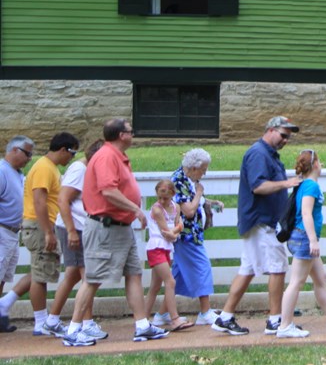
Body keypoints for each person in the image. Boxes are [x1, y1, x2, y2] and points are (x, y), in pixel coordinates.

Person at [62, 118, 169, 346]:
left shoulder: (118, 156)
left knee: (134, 273)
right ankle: (73, 330)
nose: (133, 134)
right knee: (92, 278)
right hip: (105, 227)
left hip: (121, 228)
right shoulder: (106, 156)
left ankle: (142, 326)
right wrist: (136, 210)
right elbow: (108, 191)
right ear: (122, 135)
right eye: (130, 131)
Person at [212, 116, 301, 337]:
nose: (285, 140)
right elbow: (258, 186)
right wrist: (287, 183)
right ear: (270, 130)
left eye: (288, 137)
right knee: (278, 268)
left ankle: (225, 317)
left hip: (263, 221)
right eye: (283, 135)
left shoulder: (268, 154)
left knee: (248, 269)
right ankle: (275, 321)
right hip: (262, 221)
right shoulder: (258, 154)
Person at [3, 132, 78, 338]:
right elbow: (39, 202)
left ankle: (6, 303)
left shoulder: (48, 168)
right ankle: (41, 322)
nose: (72, 158)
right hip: (39, 225)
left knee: (40, 270)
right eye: (72, 153)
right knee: (40, 276)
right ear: (63, 149)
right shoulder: (44, 168)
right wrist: (48, 232)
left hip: (38, 225)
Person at [276, 149, 326, 338]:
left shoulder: (305, 184)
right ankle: (284, 326)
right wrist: (313, 240)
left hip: (302, 236)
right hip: (305, 237)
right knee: (296, 282)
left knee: (321, 279)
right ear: (314, 165)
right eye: (320, 162)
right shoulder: (311, 186)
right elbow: (306, 213)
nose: (321, 165)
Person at [49, 139, 105, 339]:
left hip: (81, 227)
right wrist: (72, 231)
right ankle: (85, 323)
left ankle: (52, 319)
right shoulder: (79, 170)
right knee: (88, 276)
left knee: (73, 274)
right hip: (75, 228)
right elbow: (63, 200)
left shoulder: (85, 169)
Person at [171, 147, 225, 326]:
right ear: (194, 168)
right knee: (202, 267)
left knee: (176, 275)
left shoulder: (189, 180)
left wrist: (211, 202)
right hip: (186, 235)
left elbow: (195, 201)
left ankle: (163, 313)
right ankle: (205, 311)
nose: (205, 172)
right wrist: (200, 193)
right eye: (203, 169)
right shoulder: (179, 181)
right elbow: (187, 210)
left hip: (192, 233)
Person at [144, 179, 192, 332]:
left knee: (155, 286)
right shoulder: (157, 210)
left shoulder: (176, 207)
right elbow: (166, 232)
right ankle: (175, 319)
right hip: (156, 247)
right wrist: (175, 232)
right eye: (159, 197)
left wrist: (175, 231)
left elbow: (180, 225)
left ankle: (142, 320)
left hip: (167, 248)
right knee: (170, 281)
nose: (162, 200)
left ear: (172, 195)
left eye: (165, 198)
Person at [0, 136, 34, 334]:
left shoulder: (17, 173)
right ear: (14, 150)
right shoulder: (2, 171)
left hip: (12, 232)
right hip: (2, 229)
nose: (30, 158)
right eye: (27, 153)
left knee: (3, 276)